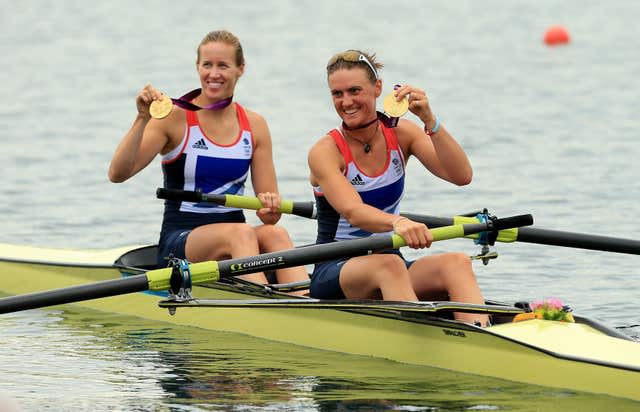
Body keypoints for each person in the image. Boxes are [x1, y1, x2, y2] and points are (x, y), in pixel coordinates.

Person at [108, 30, 308, 289]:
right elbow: (118, 174)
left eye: (223, 65)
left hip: (237, 239)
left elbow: (269, 217)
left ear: (240, 69)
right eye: (207, 65)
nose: (214, 74)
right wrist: (142, 118)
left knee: (276, 234)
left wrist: (270, 207)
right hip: (181, 241)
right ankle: (272, 306)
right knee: (242, 233)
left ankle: (304, 301)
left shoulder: (255, 125)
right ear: (197, 67)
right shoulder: (174, 118)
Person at [308, 49, 489, 326]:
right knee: (389, 266)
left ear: (377, 88)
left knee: (457, 262)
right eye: (337, 94)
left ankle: (480, 335)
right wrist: (398, 222)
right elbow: (354, 212)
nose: (346, 102)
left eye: (355, 90)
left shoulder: (403, 134)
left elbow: (461, 176)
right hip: (335, 269)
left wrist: (429, 120)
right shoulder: (326, 151)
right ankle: (424, 343)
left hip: (390, 265)